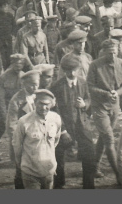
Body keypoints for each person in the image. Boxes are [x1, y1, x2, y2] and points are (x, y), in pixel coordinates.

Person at [87, 39, 122, 181]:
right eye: (109, 52)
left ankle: (94, 167)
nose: (112, 55)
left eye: (114, 52)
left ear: (118, 50)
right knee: (110, 139)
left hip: (114, 105)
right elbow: (90, 86)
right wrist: (106, 94)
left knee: (104, 137)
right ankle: (120, 175)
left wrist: (117, 93)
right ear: (104, 52)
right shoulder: (95, 65)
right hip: (99, 106)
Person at [50, 52, 95, 189]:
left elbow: (89, 99)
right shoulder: (57, 86)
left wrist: (85, 104)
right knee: (58, 156)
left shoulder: (82, 82)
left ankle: (89, 185)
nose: (73, 73)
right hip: (64, 127)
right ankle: (59, 184)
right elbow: (54, 111)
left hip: (82, 125)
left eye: (75, 69)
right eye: (69, 70)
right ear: (64, 70)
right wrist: (62, 131)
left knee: (89, 154)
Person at [12, 88, 64, 189]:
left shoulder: (56, 118)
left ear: (52, 104)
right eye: (40, 103)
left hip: (49, 170)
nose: (43, 107)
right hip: (30, 172)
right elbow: (17, 145)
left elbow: (55, 141)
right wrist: (22, 165)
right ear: (35, 102)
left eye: (47, 104)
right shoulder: (24, 121)